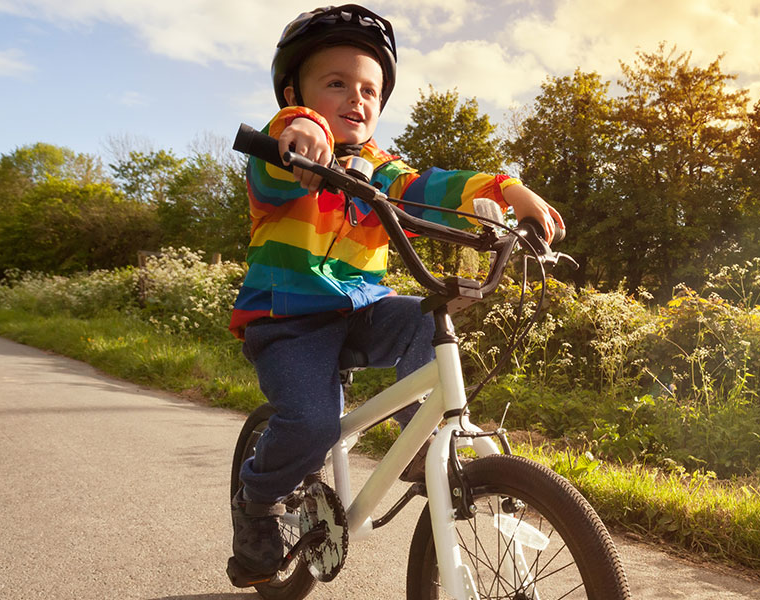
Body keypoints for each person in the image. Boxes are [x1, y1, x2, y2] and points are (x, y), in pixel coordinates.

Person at [225, 4, 564, 587]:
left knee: (418, 317)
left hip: (358, 310)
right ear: (291, 94)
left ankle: (419, 438)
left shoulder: (383, 172)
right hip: (288, 321)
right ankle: (256, 500)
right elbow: (288, 144)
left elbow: (432, 186)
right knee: (312, 424)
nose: (355, 98)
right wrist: (300, 131)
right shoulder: (285, 160)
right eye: (336, 84)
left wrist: (508, 190)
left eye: (369, 90)